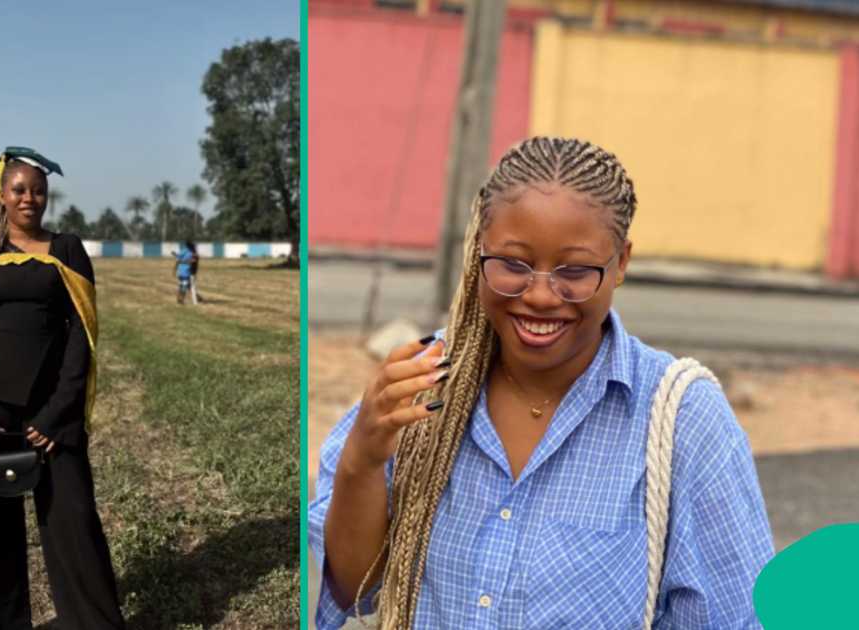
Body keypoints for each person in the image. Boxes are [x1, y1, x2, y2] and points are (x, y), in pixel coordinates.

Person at [308, 137, 774, 629]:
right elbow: (353, 588)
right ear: (478, 253)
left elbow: (737, 617)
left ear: (621, 263)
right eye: (512, 264)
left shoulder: (681, 417)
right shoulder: (423, 383)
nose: (540, 295)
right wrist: (364, 455)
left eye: (574, 270)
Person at [0, 146, 125, 629]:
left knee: (73, 524)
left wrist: (58, 414)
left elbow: (81, 339)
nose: (31, 198)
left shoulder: (66, 249)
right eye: (20, 189)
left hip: (51, 416)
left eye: (39, 190)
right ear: (0, 195)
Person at [173, 240, 195, 305]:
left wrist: (175, 255)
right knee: (184, 286)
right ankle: (181, 300)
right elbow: (191, 261)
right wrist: (190, 261)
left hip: (180, 271)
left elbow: (178, 258)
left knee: (181, 285)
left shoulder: (183, 250)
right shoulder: (190, 252)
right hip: (186, 271)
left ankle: (179, 298)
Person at [185, 239, 200, 304]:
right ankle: (197, 297)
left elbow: (193, 261)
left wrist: (185, 261)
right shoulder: (193, 253)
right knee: (188, 286)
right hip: (190, 271)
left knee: (192, 286)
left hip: (192, 272)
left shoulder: (194, 254)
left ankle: (195, 301)